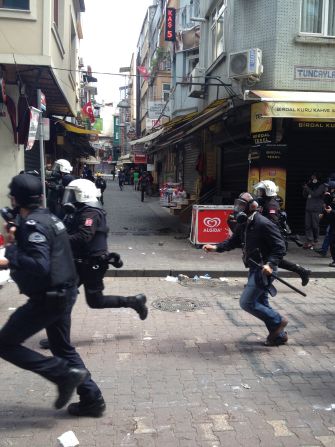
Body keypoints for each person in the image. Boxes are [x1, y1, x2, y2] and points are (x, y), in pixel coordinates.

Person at [0, 173, 105, 417]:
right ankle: (92, 399)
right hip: (63, 292)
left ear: (15, 199)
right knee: (62, 348)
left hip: (48, 298)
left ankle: (62, 374)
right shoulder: (50, 218)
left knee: (5, 344)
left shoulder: (33, 224)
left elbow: (39, 264)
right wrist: (16, 236)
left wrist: (10, 254)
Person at [39, 179, 148, 347]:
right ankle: (59, 339)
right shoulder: (78, 210)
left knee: (95, 301)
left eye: (73, 194)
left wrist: (56, 239)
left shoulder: (91, 213)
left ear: (82, 195)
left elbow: (83, 237)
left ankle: (134, 302)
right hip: (79, 262)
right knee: (62, 297)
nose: (69, 197)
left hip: (92, 264)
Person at [203, 192, 288, 346]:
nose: (238, 208)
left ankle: (278, 320)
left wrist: (270, 264)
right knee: (262, 302)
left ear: (253, 206)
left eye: (242, 205)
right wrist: (215, 248)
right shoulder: (244, 224)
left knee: (247, 302)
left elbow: (280, 247)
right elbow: (232, 241)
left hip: (264, 269)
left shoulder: (263, 224)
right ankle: (279, 336)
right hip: (254, 267)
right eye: (238, 204)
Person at [254, 180, 311, 286]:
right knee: (269, 259)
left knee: (271, 259)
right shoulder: (265, 202)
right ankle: (302, 271)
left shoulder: (271, 205)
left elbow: (272, 222)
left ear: (268, 191)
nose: (259, 192)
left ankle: (263, 283)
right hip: (267, 236)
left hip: (272, 237)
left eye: (261, 191)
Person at [302, 173, 326, 249]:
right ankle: (309, 240)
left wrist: (307, 188)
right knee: (307, 225)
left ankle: (316, 238)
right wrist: (305, 188)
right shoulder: (310, 185)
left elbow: (316, 194)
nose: (313, 179)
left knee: (315, 225)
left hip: (316, 209)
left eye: (314, 177)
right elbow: (304, 195)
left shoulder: (322, 186)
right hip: (308, 208)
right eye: (312, 177)